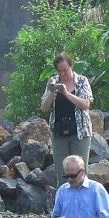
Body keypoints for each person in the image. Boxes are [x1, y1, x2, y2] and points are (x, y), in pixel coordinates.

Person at [41, 52, 94, 184]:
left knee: (80, 173)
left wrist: (66, 93)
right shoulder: (53, 82)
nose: (62, 74)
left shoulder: (82, 81)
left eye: (65, 70)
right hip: (59, 134)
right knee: (62, 175)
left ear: (71, 66)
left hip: (80, 134)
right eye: (59, 71)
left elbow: (85, 104)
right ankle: (64, 203)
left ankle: (82, 203)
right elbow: (44, 108)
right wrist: (52, 91)